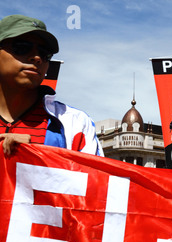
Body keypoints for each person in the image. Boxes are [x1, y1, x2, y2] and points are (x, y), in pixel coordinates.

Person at [0, 14, 103, 156]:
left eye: (44, 53)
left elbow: (94, 177)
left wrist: (37, 156)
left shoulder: (76, 124)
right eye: (22, 47)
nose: (36, 58)